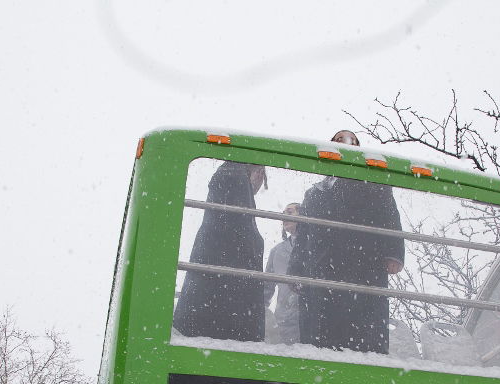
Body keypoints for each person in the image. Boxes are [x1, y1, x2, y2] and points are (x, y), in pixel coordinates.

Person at [288, 131, 405, 354]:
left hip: (362, 265)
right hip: (321, 269)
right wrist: (296, 269)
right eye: (338, 139)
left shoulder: (374, 182)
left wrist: (394, 253)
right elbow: (303, 234)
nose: (344, 143)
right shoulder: (314, 192)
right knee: (320, 333)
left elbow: (390, 216)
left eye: (350, 140)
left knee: (362, 330)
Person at [173, 161, 267, 342]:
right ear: (259, 172)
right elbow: (241, 232)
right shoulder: (234, 176)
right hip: (223, 295)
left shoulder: (230, 175)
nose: (259, 184)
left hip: (213, 288)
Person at [264, 202, 302, 344]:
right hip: (283, 322)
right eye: (283, 213)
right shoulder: (276, 251)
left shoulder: (314, 247)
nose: (284, 217)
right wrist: (267, 320)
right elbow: (266, 290)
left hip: (308, 320)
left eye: (290, 212)